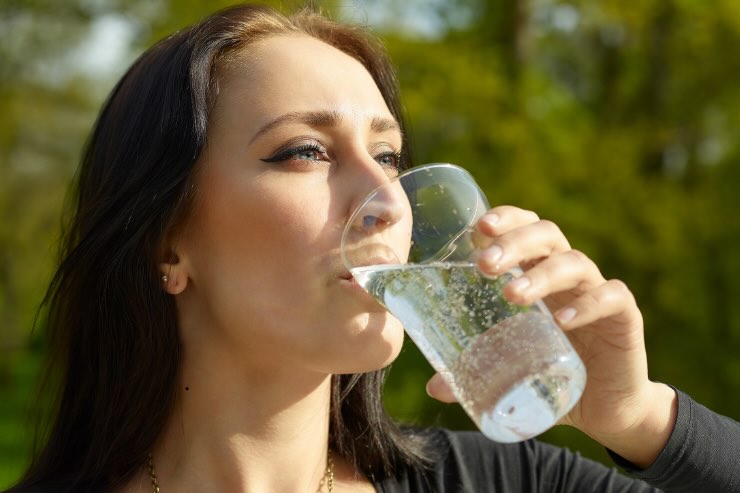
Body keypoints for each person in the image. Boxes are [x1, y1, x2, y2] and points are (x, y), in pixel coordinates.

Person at [6, 3, 740, 493]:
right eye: (304, 151)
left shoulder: (500, 483)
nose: (388, 202)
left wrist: (640, 416)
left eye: (387, 156)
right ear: (167, 241)